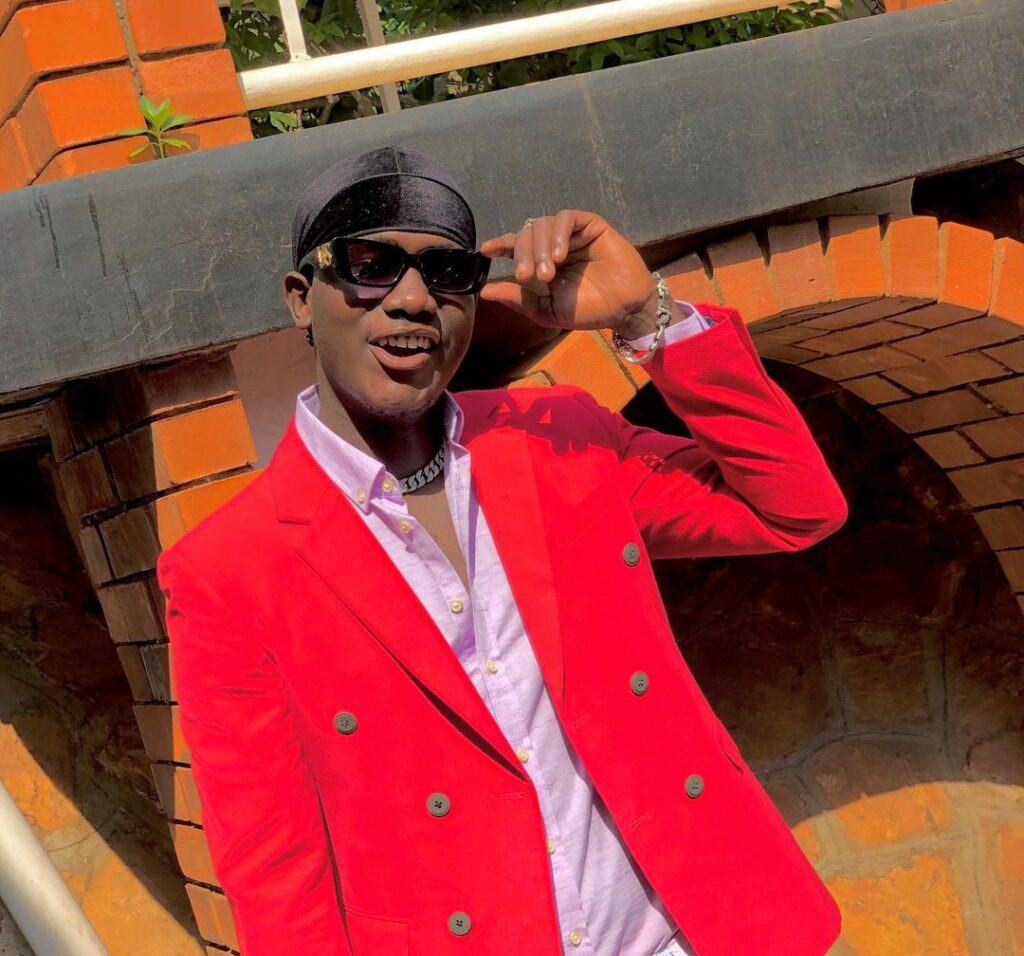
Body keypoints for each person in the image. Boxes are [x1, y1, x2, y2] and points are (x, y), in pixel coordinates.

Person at [158, 145, 848, 956]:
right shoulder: (229, 571)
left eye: (448, 273)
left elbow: (795, 508)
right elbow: (276, 876)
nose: (412, 299)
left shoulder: (556, 442)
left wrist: (644, 316)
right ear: (303, 298)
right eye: (371, 265)